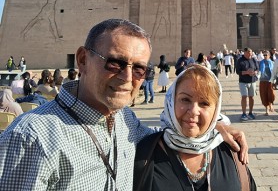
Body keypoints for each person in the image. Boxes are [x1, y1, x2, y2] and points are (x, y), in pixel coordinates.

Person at [0, 18, 248, 190]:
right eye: (115, 63)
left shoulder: (125, 121)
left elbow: (167, 135)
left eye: (139, 68)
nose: (127, 78)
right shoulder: (30, 137)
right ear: (83, 60)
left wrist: (216, 126)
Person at [133, 66, 257, 190]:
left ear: (216, 111)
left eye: (204, 103)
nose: (193, 111)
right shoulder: (146, 152)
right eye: (185, 99)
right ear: (172, 101)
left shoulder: (231, 151)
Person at [235, 48, 259, 121]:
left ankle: (250, 112)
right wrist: (247, 72)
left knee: (251, 97)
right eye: (248, 52)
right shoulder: (240, 60)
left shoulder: (254, 60)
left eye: (251, 52)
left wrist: (255, 72)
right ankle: (244, 113)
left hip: (252, 81)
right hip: (243, 81)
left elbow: (257, 69)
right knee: (244, 96)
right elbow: (238, 72)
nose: (250, 54)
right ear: (244, 53)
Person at [258, 50, 276, 115]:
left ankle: (270, 104)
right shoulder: (261, 62)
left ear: (269, 55)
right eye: (264, 55)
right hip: (263, 80)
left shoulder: (272, 63)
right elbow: (259, 70)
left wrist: (275, 79)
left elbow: (274, 71)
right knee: (264, 94)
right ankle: (267, 109)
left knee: (271, 94)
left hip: (270, 80)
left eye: (266, 55)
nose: (265, 56)